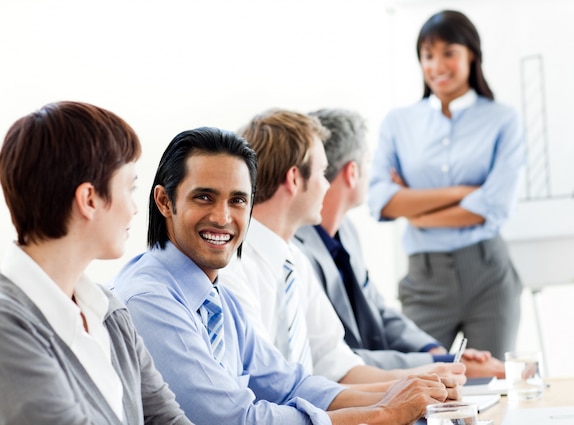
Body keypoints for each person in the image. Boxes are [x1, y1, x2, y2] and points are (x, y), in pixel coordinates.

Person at [110, 126, 460, 425]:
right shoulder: (150, 299)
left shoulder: (217, 296)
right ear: (164, 201)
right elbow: (236, 420)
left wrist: (408, 392)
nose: (222, 217)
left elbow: (291, 384)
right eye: (204, 197)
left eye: (238, 201)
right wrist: (382, 412)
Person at [220, 109, 466, 386]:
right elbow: (269, 385)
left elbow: (337, 366)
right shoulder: (230, 267)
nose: (327, 186)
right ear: (294, 179)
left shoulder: (293, 262)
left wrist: (422, 378)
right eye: (323, 173)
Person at [0, 101, 191, 424]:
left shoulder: (109, 312)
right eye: (129, 188)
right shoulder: (8, 328)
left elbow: (165, 417)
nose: (134, 208)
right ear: (89, 199)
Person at [294, 108, 505, 378]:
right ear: (352, 172)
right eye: (369, 162)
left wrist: (434, 352)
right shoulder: (297, 249)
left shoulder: (346, 230)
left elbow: (377, 308)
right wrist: (442, 365)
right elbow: (335, 358)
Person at [368, 10, 525, 360]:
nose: (437, 64)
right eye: (427, 55)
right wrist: (460, 194)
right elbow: (380, 200)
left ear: (472, 54)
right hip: (424, 278)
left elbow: (494, 206)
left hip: (488, 275)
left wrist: (415, 206)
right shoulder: (399, 123)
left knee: (489, 385)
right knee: (417, 384)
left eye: (448, 52)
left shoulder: (503, 120)